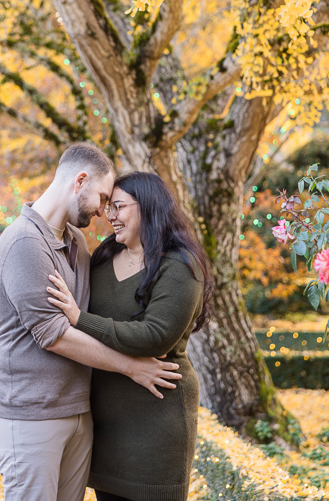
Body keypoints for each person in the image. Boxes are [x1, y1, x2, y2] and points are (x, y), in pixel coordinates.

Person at [0, 144, 183, 501]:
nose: (104, 211)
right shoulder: (24, 242)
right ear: (80, 181)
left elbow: (85, 314)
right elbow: (54, 335)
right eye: (104, 197)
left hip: (78, 408)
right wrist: (132, 368)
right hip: (31, 412)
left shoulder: (76, 241)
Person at [47, 171, 214, 501]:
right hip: (105, 425)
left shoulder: (180, 265)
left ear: (148, 207)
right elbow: (61, 312)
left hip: (156, 420)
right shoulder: (103, 258)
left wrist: (82, 320)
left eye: (118, 206)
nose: (109, 215)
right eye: (108, 205)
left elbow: (155, 336)